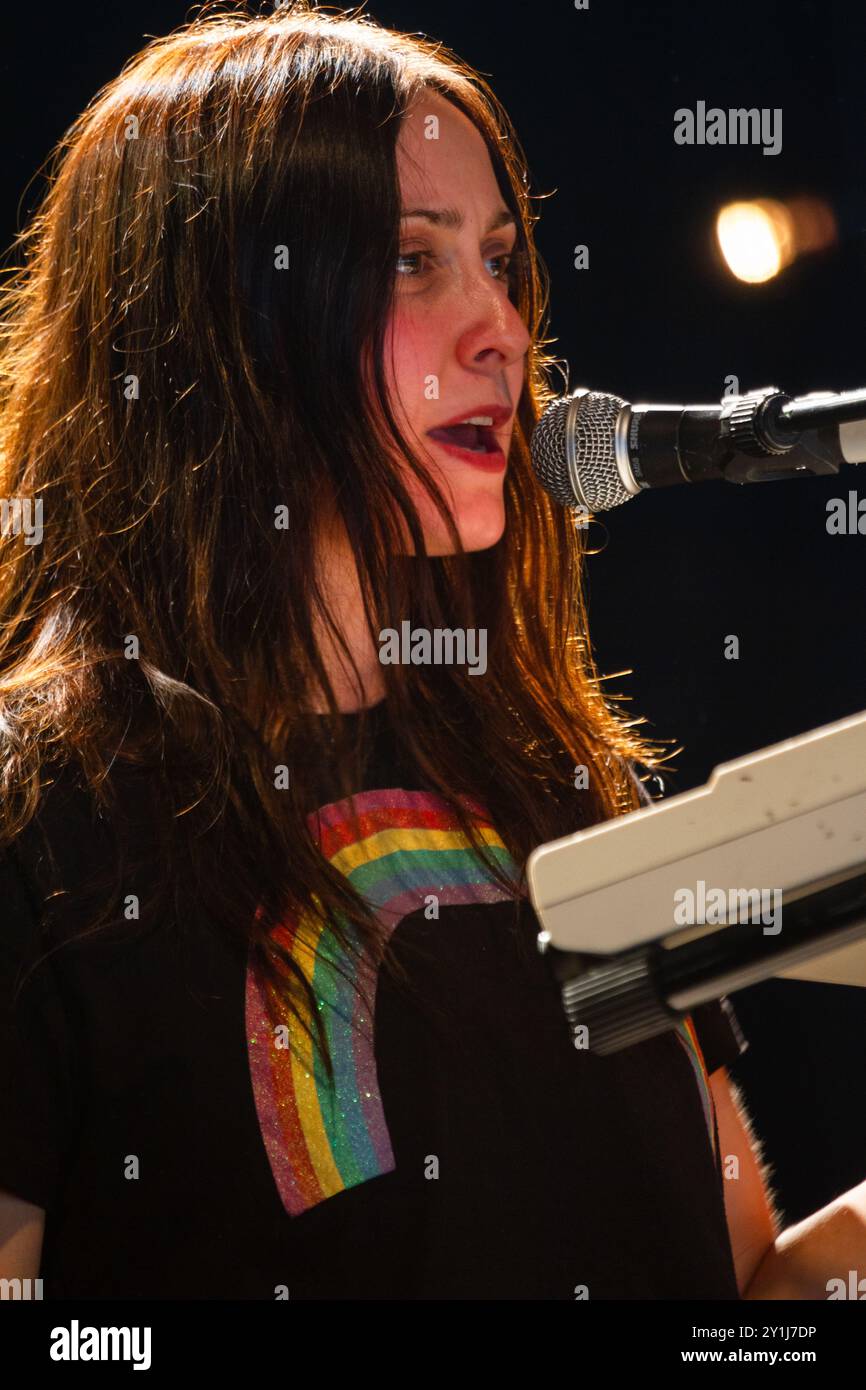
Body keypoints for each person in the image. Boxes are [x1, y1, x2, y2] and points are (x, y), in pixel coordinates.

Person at [0, 2, 862, 1301]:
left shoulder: (558, 781)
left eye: (500, 261)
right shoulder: (43, 824)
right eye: (411, 260)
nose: (501, 330)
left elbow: (742, 1298)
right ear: (215, 325)